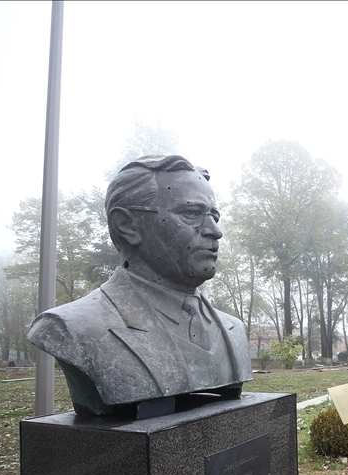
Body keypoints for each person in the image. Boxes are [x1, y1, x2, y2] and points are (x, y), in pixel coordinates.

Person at [27, 155, 253, 416]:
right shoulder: (73, 327)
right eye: (192, 214)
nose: (215, 231)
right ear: (126, 225)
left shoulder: (233, 330)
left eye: (215, 216)